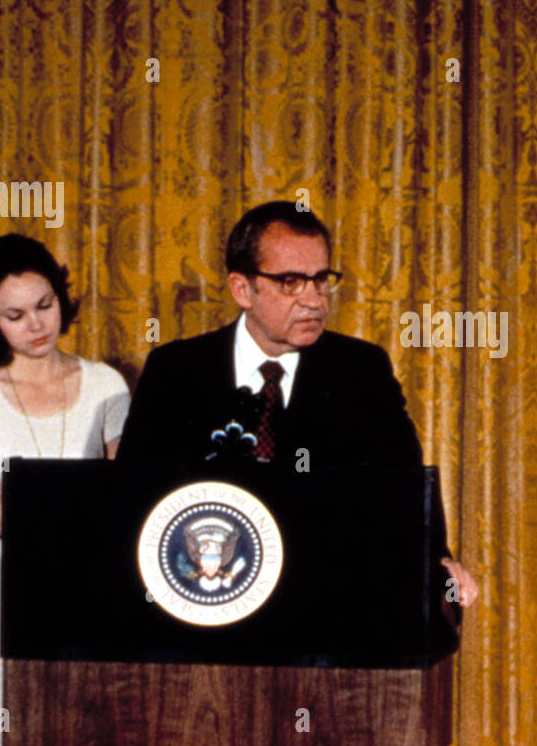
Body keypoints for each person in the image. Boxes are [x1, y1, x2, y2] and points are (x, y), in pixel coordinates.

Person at [117, 201, 477, 605]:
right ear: (242, 289)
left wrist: (438, 563)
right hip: (206, 600)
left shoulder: (361, 371)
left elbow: (404, 488)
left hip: (324, 601)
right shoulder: (176, 370)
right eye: (291, 282)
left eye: (321, 280)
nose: (314, 300)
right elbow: (134, 496)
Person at [0, 234, 130, 746]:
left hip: (81, 588)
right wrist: (69, 499)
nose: (37, 325)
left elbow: (122, 505)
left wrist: (15, 496)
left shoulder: (107, 385)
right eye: (15, 315)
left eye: (45, 306)